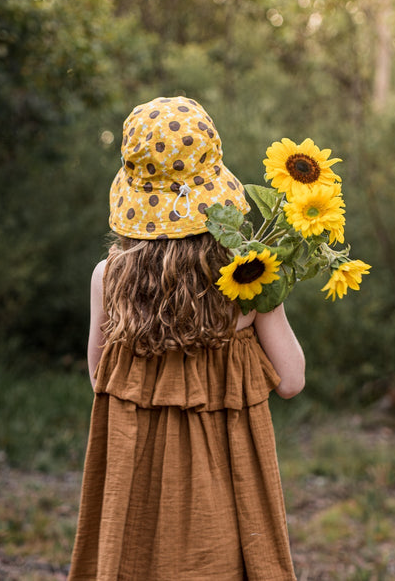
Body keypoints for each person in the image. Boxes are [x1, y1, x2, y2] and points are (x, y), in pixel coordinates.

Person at [68, 96, 305, 580]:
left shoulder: (106, 277)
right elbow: (291, 380)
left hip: (137, 479)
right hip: (228, 483)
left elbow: (100, 377)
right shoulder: (250, 278)